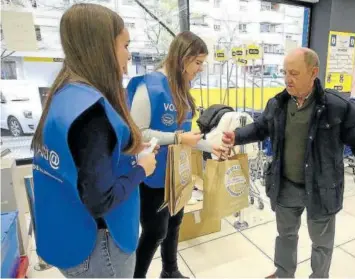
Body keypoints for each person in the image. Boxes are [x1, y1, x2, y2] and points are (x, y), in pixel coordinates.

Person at [222, 47, 355, 278]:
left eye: (294, 73)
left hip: (321, 189)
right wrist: (237, 136)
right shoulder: (278, 104)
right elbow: (261, 127)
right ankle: (283, 273)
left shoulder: (337, 107)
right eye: (284, 73)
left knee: (321, 242)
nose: (287, 79)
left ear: (313, 73)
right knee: (285, 235)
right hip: (286, 184)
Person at [31, 4, 157, 278]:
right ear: (102, 47)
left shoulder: (64, 95)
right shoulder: (93, 114)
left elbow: (81, 167)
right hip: (99, 248)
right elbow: (101, 200)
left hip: (66, 234)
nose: (129, 53)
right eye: (125, 45)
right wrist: (141, 169)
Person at [127, 31, 226, 278]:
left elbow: (185, 133)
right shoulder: (148, 86)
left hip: (178, 173)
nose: (201, 68)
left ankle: (170, 271)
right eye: (198, 62)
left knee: (174, 224)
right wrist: (177, 139)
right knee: (154, 232)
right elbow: (138, 134)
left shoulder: (182, 88)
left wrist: (210, 146)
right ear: (183, 58)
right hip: (152, 174)